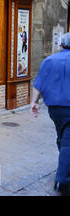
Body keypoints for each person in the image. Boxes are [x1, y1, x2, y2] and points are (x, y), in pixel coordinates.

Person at [31, 32, 70, 196]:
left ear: (62, 44)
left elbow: (39, 82)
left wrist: (34, 102)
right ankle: (62, 180)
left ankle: (65, 163)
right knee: (68, 141)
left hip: (54, 110)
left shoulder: (49, 60)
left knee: (63, 137)